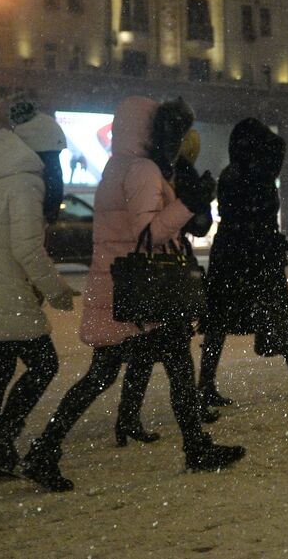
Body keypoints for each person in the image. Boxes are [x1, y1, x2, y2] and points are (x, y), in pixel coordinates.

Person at [22, 97, 243, 492]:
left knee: (109, 373)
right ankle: (194, 448)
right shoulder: (141, 170)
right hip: (141, 292)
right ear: (148, 129)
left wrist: (184, 201)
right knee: (163, 367)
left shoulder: (117, 166)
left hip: (122, 287)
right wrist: (190, 203)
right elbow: (149, 234)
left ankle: (46, 448)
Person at [0, 105, 76, 478]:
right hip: (7, 292)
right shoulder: (26, 181)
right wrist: (56, 291)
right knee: (44, 364)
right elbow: (25, 248)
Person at [200, 118, 288, 406]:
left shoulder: (233, 173)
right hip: (255, 253)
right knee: (275, 311)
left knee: (223, 319)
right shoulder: (255, 174)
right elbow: (275, 158)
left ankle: (206, 384)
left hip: (233, 253)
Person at [110, 112, 218, 447]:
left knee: (149, 349)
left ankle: (132, 418)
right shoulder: (171, 172)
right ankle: (192, 433)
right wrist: (198, 202)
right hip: (165, 266)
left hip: (152, 267)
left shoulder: (138, 167)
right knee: (172, 348)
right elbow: (190, 225)